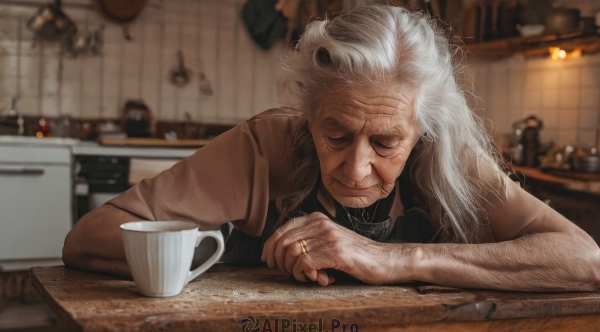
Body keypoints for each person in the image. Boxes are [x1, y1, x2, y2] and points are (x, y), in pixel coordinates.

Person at [63, 5, 600, 291]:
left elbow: (583, 260)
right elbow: (89, 240)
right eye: (336, 135)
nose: (358, 166)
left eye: (387, 142)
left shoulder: (446, 156)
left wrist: (393, 258)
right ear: (309, 112)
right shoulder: (265, 145)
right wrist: (210, 246)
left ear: (422, 131)